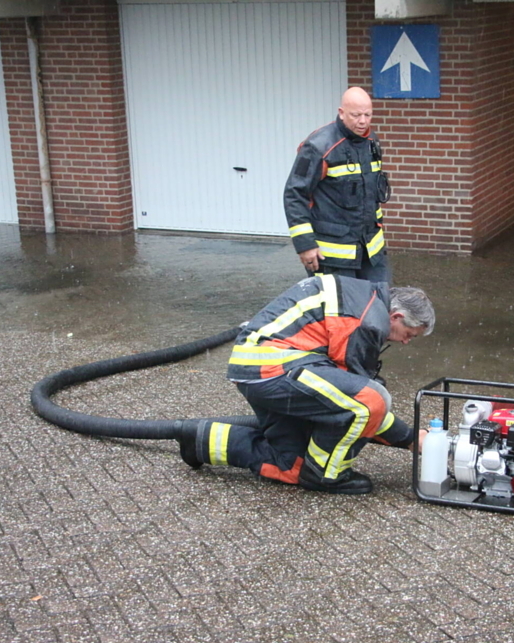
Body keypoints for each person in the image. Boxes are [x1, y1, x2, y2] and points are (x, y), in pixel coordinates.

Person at [181, 274, 435, 494]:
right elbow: (362, 403)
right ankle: (326, 475)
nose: (405, 343)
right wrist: (409, 438)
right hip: (274, 369)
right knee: (371, 400)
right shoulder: (367, 320)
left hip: (256, 367)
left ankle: (200, 440)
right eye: (409, 335)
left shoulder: (365, 300)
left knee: (290, 467)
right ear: (397, 316)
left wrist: (406, 437)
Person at [284, 87, 392, 283]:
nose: (363, 121)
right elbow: (295, 195)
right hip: (333, 257)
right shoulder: (318, 146)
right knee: (339, 312)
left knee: (378, 306)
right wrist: (305, 245)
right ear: (341, 113)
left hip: (371, 253)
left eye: (368, 115)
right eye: (356, 115)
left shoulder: (371, 142)